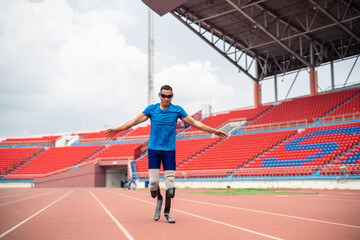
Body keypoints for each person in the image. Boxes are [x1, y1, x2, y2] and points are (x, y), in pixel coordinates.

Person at [105, 85, 227, 223]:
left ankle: (167, 212)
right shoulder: (152, 109)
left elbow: (194, 123)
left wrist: (214, 131)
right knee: (153, 183)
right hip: (154, 150)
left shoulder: (177, 110)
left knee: (171, 188)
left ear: (172, 96)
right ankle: (159, 198)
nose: (166, 99)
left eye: (169, 96)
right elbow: (134, 121)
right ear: (159, 95)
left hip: (169, 150)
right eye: (164, 96)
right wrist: (118, 129)